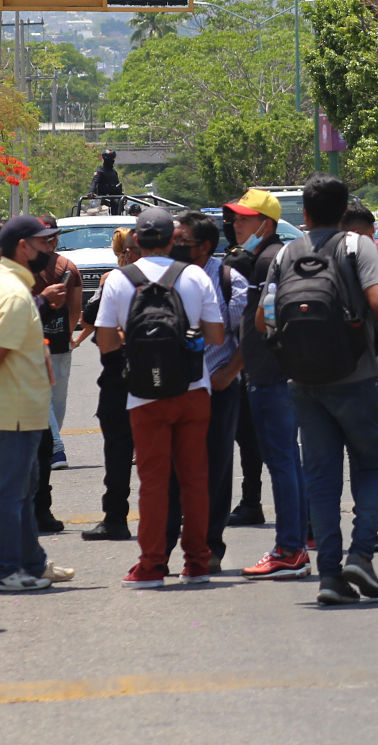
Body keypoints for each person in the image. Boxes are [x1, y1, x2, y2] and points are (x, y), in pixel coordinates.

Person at [257, 174, 378, 605]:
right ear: (344, 208)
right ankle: (361, 554)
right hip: (356, 376)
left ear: (305, 214)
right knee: (377, 465)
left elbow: (262, 320)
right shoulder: (357, 245)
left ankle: (329, 574)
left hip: (303, 383)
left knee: (322, 477)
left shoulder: (286, 253)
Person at [95, 208, 225, 588]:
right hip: (193, 389)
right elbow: (216, 336)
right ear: (172, 240)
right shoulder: (195, 275)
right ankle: (198, 561)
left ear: (135, 241)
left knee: (153, 482)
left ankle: (151, 565)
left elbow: (105, 344)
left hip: (143, 394)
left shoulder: (120, 280)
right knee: (194, 479)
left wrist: (136, 344)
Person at [0, 215, 68, 593]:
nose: (49, 250)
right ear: (23, 247)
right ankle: (4, 570)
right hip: (14, 408)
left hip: (7, 405)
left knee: (22, 489)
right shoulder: (12, 292)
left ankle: (32, 563)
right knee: (12, 493)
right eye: (43, 243)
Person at [218, 188, 309, 579]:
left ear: (265, 225)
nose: (235, 225)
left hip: (270, 375)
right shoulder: (274, 256)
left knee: (282, 461)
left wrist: (238, 365)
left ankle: (289, 549)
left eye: (243, 219)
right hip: (278, 372)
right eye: (234, 218)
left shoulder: (264, 262)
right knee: (288, 459)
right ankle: (301, 538)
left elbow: (263, 325)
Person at [170, 210, 246, 570]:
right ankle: (163, 546)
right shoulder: (164, 276)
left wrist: (230, 373)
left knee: (215, 470)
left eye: (182, 242)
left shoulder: (231, 281)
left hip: (218, 388)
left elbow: (251, 334)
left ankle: (210, 546)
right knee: (169, 473)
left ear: (205, 247)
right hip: (171, 390)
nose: (175, 247)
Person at [80, 226, 141, 543]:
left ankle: (116, 518)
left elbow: (91, 317)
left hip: (119, 376)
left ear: (127, 253)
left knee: (118, 452)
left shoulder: (116, 280)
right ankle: (173, 512)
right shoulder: (181, 276)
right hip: (165, 377)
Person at [31, 215, 82, 472]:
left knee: (49, 400)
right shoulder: (68, 266)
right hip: (61, 341)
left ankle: (51, 446)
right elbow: (75, 310)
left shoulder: (24, 266)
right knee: (55, 399)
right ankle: (54, 447)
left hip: (37, 341)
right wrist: (68, 333)